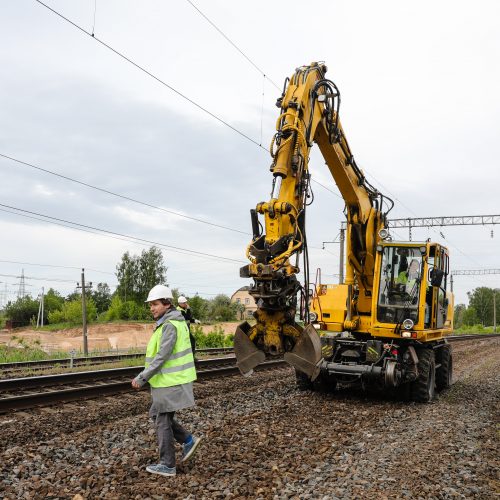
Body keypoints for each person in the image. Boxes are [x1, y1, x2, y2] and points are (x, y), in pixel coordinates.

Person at [132, 284, 202, 477]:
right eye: (150, 305)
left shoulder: (170, 325)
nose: (152, 308)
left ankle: (167, 465)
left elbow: (161, 357)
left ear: (166, 304)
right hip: (168, 381)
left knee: (161, 419)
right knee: (156, 414)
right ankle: (188, 440)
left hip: (171, 382)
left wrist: (142, 377)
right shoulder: (170, 322)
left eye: (155, 304)